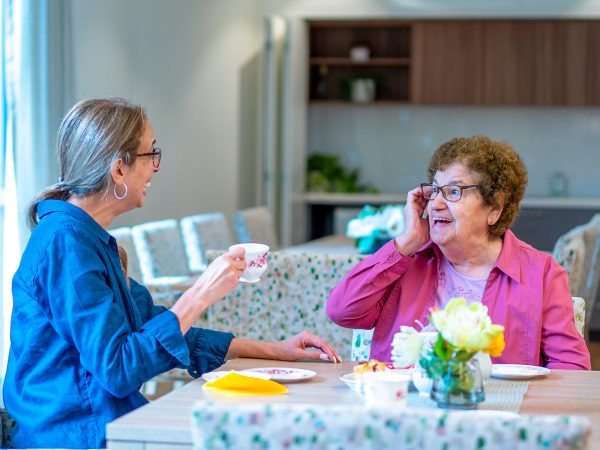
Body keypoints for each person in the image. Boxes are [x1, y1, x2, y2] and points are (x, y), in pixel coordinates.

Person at [3, 98, 341, 449]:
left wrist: (273, 351)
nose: (156, 168)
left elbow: (156, 328)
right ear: (119, 168)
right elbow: (119, 369)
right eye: (151, 154)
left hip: (108, 425)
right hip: (78, 437)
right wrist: (200, 294)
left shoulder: (84, 239)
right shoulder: (65, 244)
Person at [327, 135, 590, 370]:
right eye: (434, 191)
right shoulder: (408, 261)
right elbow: (341, 311)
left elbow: (570, 368)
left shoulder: (540, 273)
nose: (437, 204)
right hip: (403, 410)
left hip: (496, 417)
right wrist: (406, 242)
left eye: (453, 192)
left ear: (495, 208)